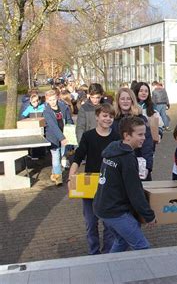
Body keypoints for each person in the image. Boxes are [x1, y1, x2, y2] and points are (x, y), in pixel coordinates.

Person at [93, 116, 156, 253]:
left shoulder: (113, 149)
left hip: (101, 207)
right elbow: (135, 191)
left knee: (121, 241)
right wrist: (149, 215)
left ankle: (110, 269)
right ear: (127, 136)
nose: (144, 138)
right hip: (115, 212)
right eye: (139, 134)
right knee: (143, 247)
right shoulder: (127, 158)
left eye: (144, 134)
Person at [68, 103, 120, 255]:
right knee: (91, 223)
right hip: (90, 186)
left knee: (109, 224)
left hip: (109, 186)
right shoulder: (88, 136)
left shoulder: (116, 137)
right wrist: (71, 178)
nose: (108, 119)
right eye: (104, 116)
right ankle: (94, 253)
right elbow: (77, 158)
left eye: (111, 116)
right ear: (97, 117)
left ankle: (108, 253)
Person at [112, 87, 154, 181]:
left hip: (138, 164)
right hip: (119, 166)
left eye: (128, 99)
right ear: (118, 101)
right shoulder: (113, 120)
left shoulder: (141, 119)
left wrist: (147, 167)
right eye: (122, 99)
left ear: (132, 100)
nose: (125, 101)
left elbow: (147, 144)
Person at [43, 89, 74, 185]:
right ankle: (58, 179)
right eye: (50, 100)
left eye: (54, 99)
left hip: (64, 134)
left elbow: (69, 120)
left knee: (62, 155)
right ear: (47, 100)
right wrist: (62, 138)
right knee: (56, 157)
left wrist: (71, 132)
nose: (52, 102)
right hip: (53, 137)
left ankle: (54, 173)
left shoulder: (64, 107)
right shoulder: (47, 112)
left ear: (57, 98)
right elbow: (53, 126)